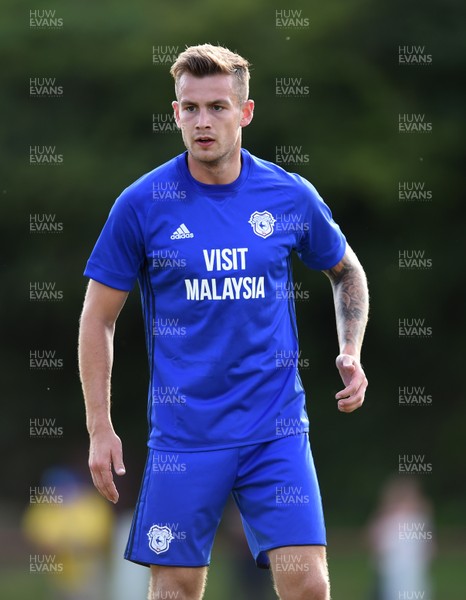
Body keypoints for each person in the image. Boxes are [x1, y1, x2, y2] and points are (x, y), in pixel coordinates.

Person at [78, 43, 369, 600]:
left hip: (275, 428)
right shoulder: (142, 204)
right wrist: (99, 426)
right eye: (191, 108)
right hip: (185, 435)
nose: (202, 121)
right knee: (175, 593)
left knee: (308, 585)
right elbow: (98, 318)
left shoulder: (287, 195)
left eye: (217, 107)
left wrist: (349, 349)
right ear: (175, 113)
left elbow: (345, 271)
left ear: (246, 112)